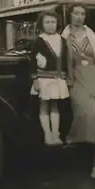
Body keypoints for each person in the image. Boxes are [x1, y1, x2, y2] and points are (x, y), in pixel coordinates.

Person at [61, 3, 95, 179]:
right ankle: (76, 144)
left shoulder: (93, 36)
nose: (79, 17)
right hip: (76, 77)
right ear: (70, 15)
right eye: (76, 13)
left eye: (82, 14)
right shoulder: (63, 37)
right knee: (87, 111)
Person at [30, 10, 70, 146]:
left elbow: (65, 60)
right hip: (44, 78)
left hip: (58, 78)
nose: (50, 25)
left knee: (55, 105)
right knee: (44, 105)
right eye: (47, 22)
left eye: (53, 22)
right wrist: (35, 79)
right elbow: (33, 62)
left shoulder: (62, 40)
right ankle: (47, 134)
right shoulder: (39, 41)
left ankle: (55, 134)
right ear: (41, 24)